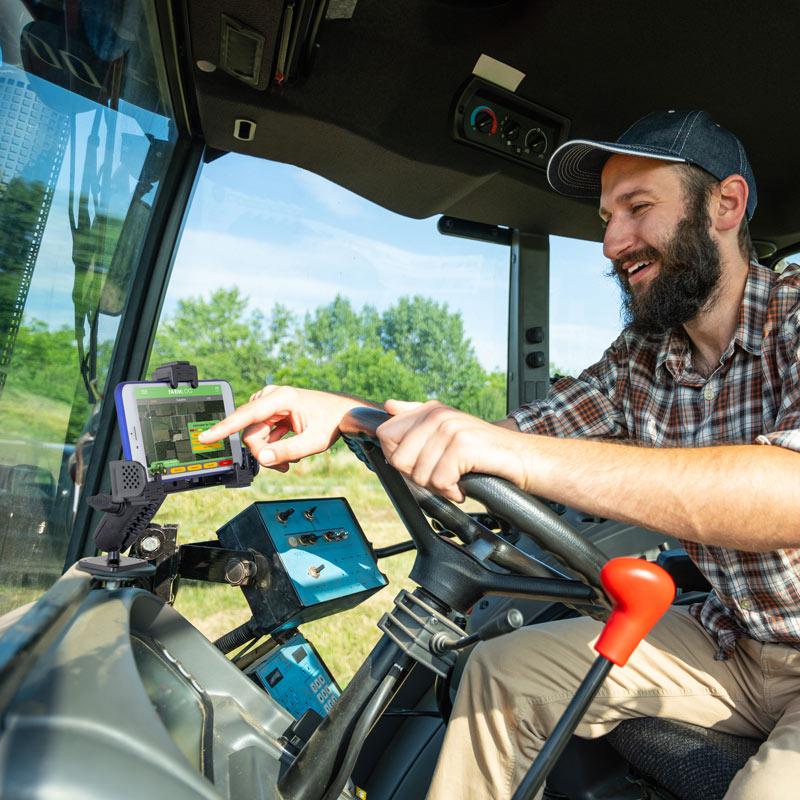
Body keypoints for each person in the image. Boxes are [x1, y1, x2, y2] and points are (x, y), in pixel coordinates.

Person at [200, 110, 800, 799]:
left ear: (726, 204)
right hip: (737, 643)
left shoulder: (796, 315)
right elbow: (507, 434)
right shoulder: (642, 360)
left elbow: (789, 492)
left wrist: (516, 453)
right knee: (497, 674)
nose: (611, 242)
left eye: (638, 208)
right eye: (607, 216)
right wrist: (342, 413)